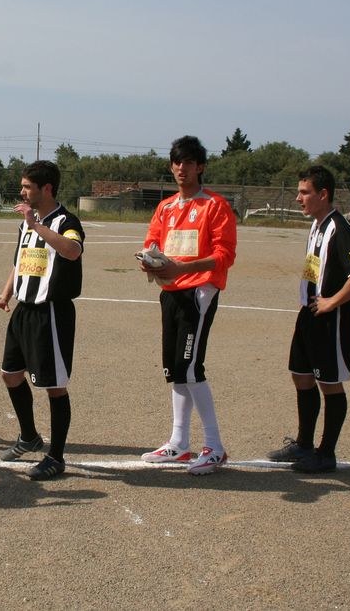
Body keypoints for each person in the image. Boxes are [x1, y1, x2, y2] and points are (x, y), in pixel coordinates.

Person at [136, 136, 237, 475]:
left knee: (190, 366)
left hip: (199, 292)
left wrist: (182, 268)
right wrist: (149, 262)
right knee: (175, 369)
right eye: (177, 162)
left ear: (200, 167)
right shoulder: (165, 207)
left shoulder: (215, 206)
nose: (182, 168)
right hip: (170, 292)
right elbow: (152, 242)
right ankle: (179, 444)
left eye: (189, 163)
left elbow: (224, 255)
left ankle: (215, 447)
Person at [0, 161, 84, 480]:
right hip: (24, 310)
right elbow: (20, 263)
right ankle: (29, 437)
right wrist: (4, 296)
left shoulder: (66, 221)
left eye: (28, 187)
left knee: (54, 386)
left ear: (47, 189)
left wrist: (37, 225)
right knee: (10, 374)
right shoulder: (27, 223)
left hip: (50, 312)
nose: (22, 192)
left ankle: (56, 457)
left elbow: (73, 250)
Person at [267, 165, 350, 473]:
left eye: (304, 192)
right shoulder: (317, 225)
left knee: (330, 383)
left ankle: (326, 454)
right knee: (301, 375)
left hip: (331, 318)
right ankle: (304, 444)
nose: (298, 198)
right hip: (309, 314)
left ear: (323, 194)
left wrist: (332, 302)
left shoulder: (340, 229)